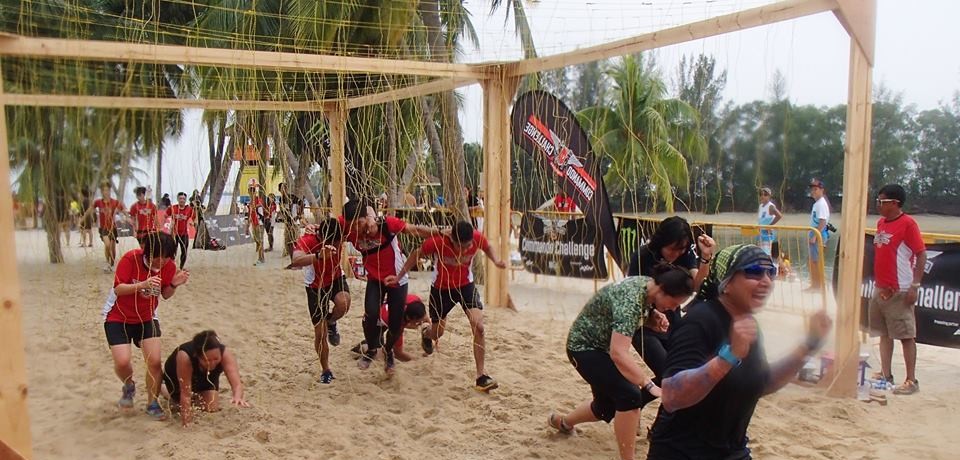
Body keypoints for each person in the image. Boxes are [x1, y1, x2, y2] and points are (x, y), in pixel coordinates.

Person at [646, 244, 832, 460]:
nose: (766, 281)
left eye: (770, 272)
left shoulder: (747, 323)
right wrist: (728, 357)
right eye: (754, 272)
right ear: (726, 283)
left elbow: (761, 382)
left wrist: (808, 345)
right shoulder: (700, 322)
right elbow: (671, 396)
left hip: (731, 450)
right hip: (682, 452)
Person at [546, 265, 696, 460]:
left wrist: (651, 318)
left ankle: (563, 423)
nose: (674, 309)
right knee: (630, 395)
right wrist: (647, 384)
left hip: (600, 347)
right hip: (584, 348)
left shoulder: (647, 285)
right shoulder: (630, 301)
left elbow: (625, 317)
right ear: (661, 289)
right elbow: (619, 353)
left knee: (605, 407)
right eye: (674, 303)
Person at [387, 220, 508, 391]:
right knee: (437, 333)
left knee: (479, 327)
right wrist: (399, 277)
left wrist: (496, 261)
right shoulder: (438, 242)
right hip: (441, 290)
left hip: (465, 286)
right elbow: (416, 254)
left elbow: (487, 247)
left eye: (468, 246)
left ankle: (481, 376)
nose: (465, 250)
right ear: (452, 239)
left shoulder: (476, 237)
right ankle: (426, 332)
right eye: (461, 247)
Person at [339, 200, 440, 375]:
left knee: (396, 323)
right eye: (351, 225)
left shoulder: (386, 224)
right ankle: (371, 350)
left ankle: (389, 351)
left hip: (397, 279)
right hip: (374, 279)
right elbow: (328, 229)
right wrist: (314, 230)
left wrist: (440, 233)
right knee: (370, 314)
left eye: (358, 223)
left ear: (366, 217)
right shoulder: (347, 226)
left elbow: (414, 230)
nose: (355, 228)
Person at [101, 232, 190, 421]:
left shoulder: (169, 266)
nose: (161, 261)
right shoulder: (131, 259)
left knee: (155, 362)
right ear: (147, 252)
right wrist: (142, 284)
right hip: (118, 317)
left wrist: (174, 284)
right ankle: (128, 385)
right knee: (123, 362)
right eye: (157, 257)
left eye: (166, 257)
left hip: (147, 317)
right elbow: (118, 289)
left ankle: (152, 403)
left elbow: (165, 295)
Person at [626, 217, 716, 385]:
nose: (676, 254)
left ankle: (639, 397)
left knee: (681, 371)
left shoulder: (685, 253)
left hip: (673, 321)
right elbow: (632, 293)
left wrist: (705, 257)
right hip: (644, 324)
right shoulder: (643, 255)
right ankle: (637, 397)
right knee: (668, 375)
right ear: (661, 241)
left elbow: (697, 286)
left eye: (681, 250)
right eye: (672, 249)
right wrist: (652, 313)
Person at [868, 184, 926, 395]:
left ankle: (911, 380)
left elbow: (921, 254)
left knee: (906, 335)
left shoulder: (908, 224)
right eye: (878, 201)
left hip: (900, 289)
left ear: (895, 203)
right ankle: (886, 374)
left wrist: (914, 285)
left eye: (882, 202)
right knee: (884, 333)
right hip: (880, 287)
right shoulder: (881, 223)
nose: (878, 205)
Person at [288, 218, 351, 384]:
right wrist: (318, 256)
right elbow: (295, 260)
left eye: (338, 242)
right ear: (322, 238)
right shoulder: (309, 239)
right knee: (320, 334)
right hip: (315, 287)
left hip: (336, 278)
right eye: (332, 243)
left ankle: (331, 322)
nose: (335, 246)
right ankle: (326, 370)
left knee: (344, 303)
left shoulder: (341, 232)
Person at [162, 330, 249, 427]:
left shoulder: (225, 354)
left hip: (207, 375)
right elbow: (185, 394)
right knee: (179, 401)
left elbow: (237, 384)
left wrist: (237, 397)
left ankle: (198, 394)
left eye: (216, 359)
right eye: (207, 360)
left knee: (211, 407)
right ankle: (163, 387)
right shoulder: (185, 356)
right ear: (197, 356)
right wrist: (186, 422)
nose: (212, 363)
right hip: (176, 375)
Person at [350, 294, 430, 363]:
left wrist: (427, 333)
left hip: (382, 312)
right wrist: (417, 360)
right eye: (418, 322)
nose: (420, 324)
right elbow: (398, 354)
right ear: (410, 319)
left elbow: (425, 317)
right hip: (372, 323)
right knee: (379, 355)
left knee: (386, 346)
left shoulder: (414, 300)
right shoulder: (397, 324)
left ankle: (373, 343)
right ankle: (364, 347)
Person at [86, 183, 126, 272]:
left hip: (113, 227)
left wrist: (127, 217)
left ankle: (112, 264)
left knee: (113, 248)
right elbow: (90, 209)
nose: (106, 192)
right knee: (107, 245)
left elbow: (123, 209)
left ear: (110, 191)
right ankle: (108, 263)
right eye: (104, 190)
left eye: (107, 190)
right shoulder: (98, 202)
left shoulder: (115, 202)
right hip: (103, 228)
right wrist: (83, 219)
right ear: (101, 192)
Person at [807, 178, 830, 290]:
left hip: (818, 234)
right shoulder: (817, 204)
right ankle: (815, 284)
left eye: (816, 189)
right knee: (813, 261)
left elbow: (823, 222)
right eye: (812, 190)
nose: (813, 192)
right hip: (815, 233)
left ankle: (817, 286)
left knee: (816, 261)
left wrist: (815, 237)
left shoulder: (821, 204)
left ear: (822, 190)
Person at [167, 192, 195, 269]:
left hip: (184, 234)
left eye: (183, 199)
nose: (182, 200)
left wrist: (192, 223)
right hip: (174, 234)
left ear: (185, 200)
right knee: (173, 251)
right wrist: (169, 225)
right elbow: (165, 215)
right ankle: (171, 267)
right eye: (180, 198)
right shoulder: (173, 208)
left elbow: (194, 218)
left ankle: (181, 267)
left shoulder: (189, 209)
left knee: (184, 251)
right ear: (177, 199)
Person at [279, 183, 301, 262]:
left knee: (295, 240)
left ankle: (297, 258)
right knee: (288, 240)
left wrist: (298, 215)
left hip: (294, 222)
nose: (283, 190)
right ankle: (290, 257)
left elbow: (301, 203)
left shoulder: (292, 197)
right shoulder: (281, 199)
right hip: (287, 223)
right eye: (282, 188)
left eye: (285, 188)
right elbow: (282, 210)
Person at [757, 187, 782, 255]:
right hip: (760, 233)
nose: (763, 196)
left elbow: (779, 216)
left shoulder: (770, 206)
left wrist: (770, 225)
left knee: (767, 253)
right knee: (760, 252)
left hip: (768, 234)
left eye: (765, 195)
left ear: (769, 196)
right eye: (761, 194)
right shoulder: (761, 206)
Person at [248, 186, 266, 266]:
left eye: (252, 192)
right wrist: (248, 224)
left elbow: (260, 213)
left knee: (260, 241)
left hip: (259, 223)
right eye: (250, 192)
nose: (251, 194)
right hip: (254, 223)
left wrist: (256, 207)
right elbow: (250, 215)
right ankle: (261, 257)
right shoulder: (251, 202)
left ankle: (261, 259)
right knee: (258, 241)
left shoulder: (258, 200)